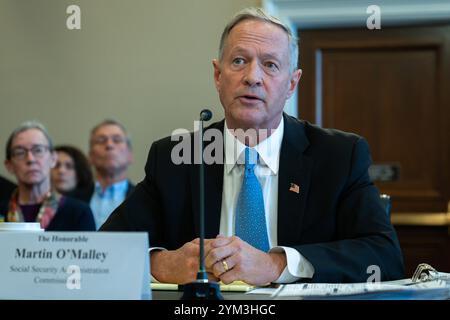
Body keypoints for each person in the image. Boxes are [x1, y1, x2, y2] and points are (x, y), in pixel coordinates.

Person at [101, 8, 404, 285]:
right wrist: (159, 263)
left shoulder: (338, 156)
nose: (252, 77)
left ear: (291, 84)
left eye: (270, 65)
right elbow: (102, 251)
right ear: (218, 75)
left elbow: (384, 257)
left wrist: (276, 264)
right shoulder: (174, 158)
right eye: (239, 61)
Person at [0, 121, 96, 231]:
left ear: (53, 159)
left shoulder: (79, 212)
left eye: (38, 150)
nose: (30, 159)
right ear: (9, 165)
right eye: (20, 152)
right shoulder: (2, 210)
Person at [79, 120, 134, 229]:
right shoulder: (72, 199)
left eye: (117, 140)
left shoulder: (145, 200)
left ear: (130, 155)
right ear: (90, 156)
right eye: (101, 140)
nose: (109, 145)